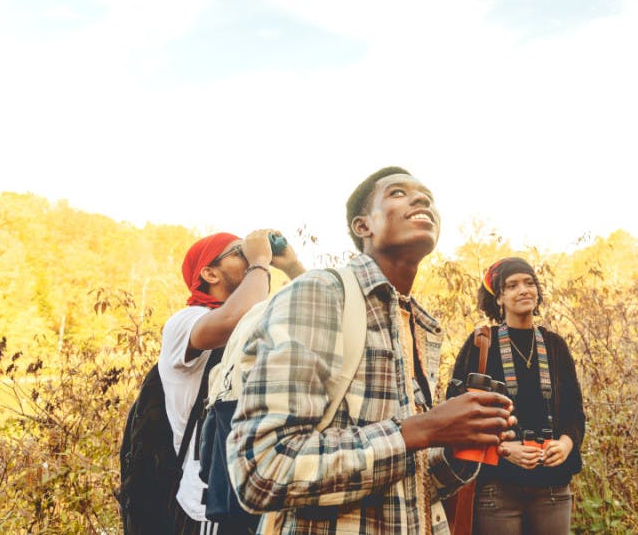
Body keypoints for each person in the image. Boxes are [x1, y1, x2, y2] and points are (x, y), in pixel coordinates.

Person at [227, 166, 517, 534]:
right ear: (363, 226)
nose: (421, 199)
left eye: (427, 197)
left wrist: (459, 444)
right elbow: (262, 470)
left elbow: (410, 488)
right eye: (397, 193)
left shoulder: (420, 325)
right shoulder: (321, 293)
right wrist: (422, 428)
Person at [160, 229, 305, 535]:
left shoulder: (261, 319)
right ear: (210, 273)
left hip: (260, 490)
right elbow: (232, 318)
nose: (250, 257)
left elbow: (320, 317)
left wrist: (292, 267)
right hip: (209, 501)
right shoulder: (184, 323)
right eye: (240, 252)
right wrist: (260, 261)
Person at [450, 257, 584, 535]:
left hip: (552, 487)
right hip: (497, 488)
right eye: (512, 285)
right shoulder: (481, 344)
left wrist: (566, 444)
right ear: (499, 298)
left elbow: (575, 413)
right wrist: (505, 450)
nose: (523, 290)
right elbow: (457, 415)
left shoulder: (555, 345)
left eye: (529, 283)